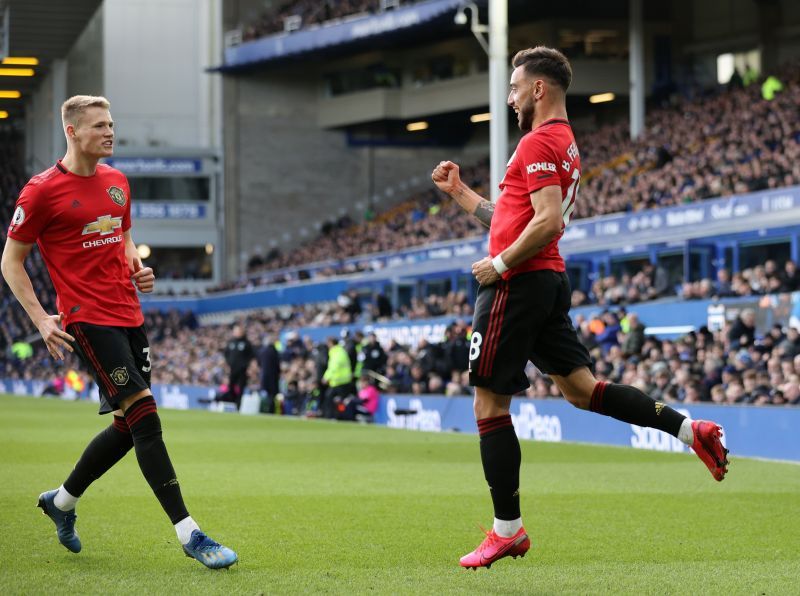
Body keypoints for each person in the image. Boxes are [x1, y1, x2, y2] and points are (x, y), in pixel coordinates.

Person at [430, 47, 728, 570]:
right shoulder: (562, 144)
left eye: (516, 86)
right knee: (582, 391)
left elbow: (543, 222)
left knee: (488, 405)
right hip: (545, 278)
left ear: (539, 89)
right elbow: (513, 215)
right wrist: (460, 193)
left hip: (518, 284)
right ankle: (689, 429)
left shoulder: (540, 140)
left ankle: (508, 531)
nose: (511, 95)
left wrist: (498, 266)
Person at [0, 95, 236, 568]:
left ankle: (61, 502)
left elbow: (124, 240)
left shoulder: (117, 182)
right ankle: (190, 534)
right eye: (100, 125)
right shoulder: (41, 191)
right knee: (145, 414)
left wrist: (138, 269)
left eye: (112, 124)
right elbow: (11, 260)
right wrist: (43, 318)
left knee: (128, 429)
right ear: (72, 131)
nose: (110, 132)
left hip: (130, 314)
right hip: (87, 319)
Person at [221, 324, 255, 410]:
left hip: (242, 370)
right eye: (235, 331)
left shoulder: (247, 343)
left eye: (238, 331)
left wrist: (249, 367)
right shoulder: (231, 342)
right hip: (232, 369)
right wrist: (227, 365)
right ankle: (232, 402)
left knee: (241, 387)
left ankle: (239, 405)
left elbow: (251, 356)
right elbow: (226, 354)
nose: (237, 333)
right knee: (231, 386)